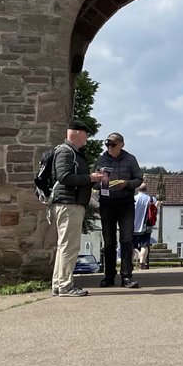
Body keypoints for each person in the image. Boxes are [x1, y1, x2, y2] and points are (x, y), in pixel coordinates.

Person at [50, 120, 106, 297]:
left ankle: (59, 284)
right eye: (85, 134)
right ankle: (66, 286)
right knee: (69, 246)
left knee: (64, 246)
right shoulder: (66, 152)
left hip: (69, 203)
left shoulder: (70, 152)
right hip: (69, 204)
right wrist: (90, 178)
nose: (87, 139)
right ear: (76, 133)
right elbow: (64, 176)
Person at [95, 132, 143, 288]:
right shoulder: (102, 159)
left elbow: (139, 179)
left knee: (126, 240)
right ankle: (109, 276)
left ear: (121, 144)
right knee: (109, 242)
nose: (109, 147)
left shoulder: (130, 159)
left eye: (113, 144)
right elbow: (94, 180)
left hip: (125, 204)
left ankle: (126, 277)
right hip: (107, 204)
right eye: (107, 144)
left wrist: (126, 184)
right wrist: (100, 183)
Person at [132, 183, 157, 270]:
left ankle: (130, 264)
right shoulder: (151, 199)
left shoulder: (133, 199)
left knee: (132, 246)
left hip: (133, 227)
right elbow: (156, 210)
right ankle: (142, 263)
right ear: (146, 190)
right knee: (144, 246)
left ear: (138, 190)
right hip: (146, 227)